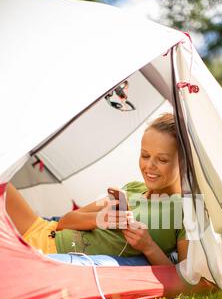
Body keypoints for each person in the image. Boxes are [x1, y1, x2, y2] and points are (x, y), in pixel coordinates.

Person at [6, 113, 189, 266]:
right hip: (40, 229)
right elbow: (65, 221)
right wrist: (102, 219)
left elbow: (187, 278)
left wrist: (149, 247)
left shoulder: (186, 211)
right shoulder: (132, 189)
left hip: (47, 255)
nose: (150, 166)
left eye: (162, 160)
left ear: (184, 161)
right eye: (145, 155)